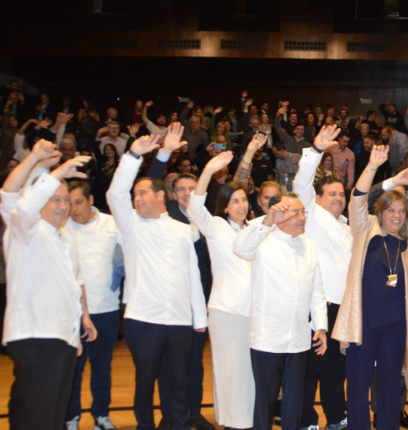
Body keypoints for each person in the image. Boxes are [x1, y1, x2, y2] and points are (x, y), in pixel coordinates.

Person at [106, 133, 208, 430]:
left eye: (143, 193)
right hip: (143, 318)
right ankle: (145, 426)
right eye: (135, 195)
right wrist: (133, 155)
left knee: (178, 380)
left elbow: (193, 277)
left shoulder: (184, 230)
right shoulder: (130, 224)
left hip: (179, 320)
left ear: (161, 196)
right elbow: (115, 194)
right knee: (145, 380)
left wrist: (199, 318)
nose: (137, 198)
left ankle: (178, 424)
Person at [332, 143, 408, 430]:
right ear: (381, 212)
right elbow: (358, 197)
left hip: (396, 326)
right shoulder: (365, 231)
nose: (397, 216)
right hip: (363, 324)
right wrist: (373, 166)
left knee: (389, 387)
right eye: (391, 210)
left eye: (402, 211)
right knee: (358, 386)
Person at [2, 141, 96, 430]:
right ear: (39, 200)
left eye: (66, 199)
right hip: (36, 336)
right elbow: (11, 197)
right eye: (55, 199)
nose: (63, 206)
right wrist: (44, 166)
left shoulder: (64, 237)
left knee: (54, 418)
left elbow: (73, 285)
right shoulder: (24, 230)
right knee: (36, 418)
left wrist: (80, 324)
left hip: (62, 338)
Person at [233, 192, 328, 430]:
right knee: (265, 400)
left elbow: (317, 290)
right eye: (295, 213)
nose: (302, 218)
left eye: (303, 212)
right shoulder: (262, 240)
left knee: (294, 400)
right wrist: (267, 221)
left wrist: (321, 326)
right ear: (278, 215)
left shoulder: (310, 245)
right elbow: (240, 247)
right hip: (267, 338)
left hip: (299, 338)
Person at [188, 147, 261, 430]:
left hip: (255, 312)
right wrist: (208, 170)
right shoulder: (216, 225)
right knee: (231, 371)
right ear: (225, 206)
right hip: (227, 311)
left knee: (250, 372)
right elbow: (195, 208)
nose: (241, 205)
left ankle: (249, 422)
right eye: (234, 201)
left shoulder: (255, 229)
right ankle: (233, 424)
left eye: (243, 199)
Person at [292, 126, 351, 430]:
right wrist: (315, 151)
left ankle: (337, 417)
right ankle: (306, 421)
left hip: (343, 308)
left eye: (341, 194)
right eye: (332, 194)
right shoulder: (312, 215)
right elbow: (301, 183)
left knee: (336, 369)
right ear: (317, 198)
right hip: (319, 306)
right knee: (312, 369)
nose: (339, 198)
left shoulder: (347, 228)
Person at [64, 181, 124, 430]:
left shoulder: (112, 224)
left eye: (78, 202)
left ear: (90, 200)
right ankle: (71, 418)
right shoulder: (61, 226)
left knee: (102, 368)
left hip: (107, 310)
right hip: (72, 313)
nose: (73, 209)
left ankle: (101, 416)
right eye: (69, 203)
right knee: (73, 371)